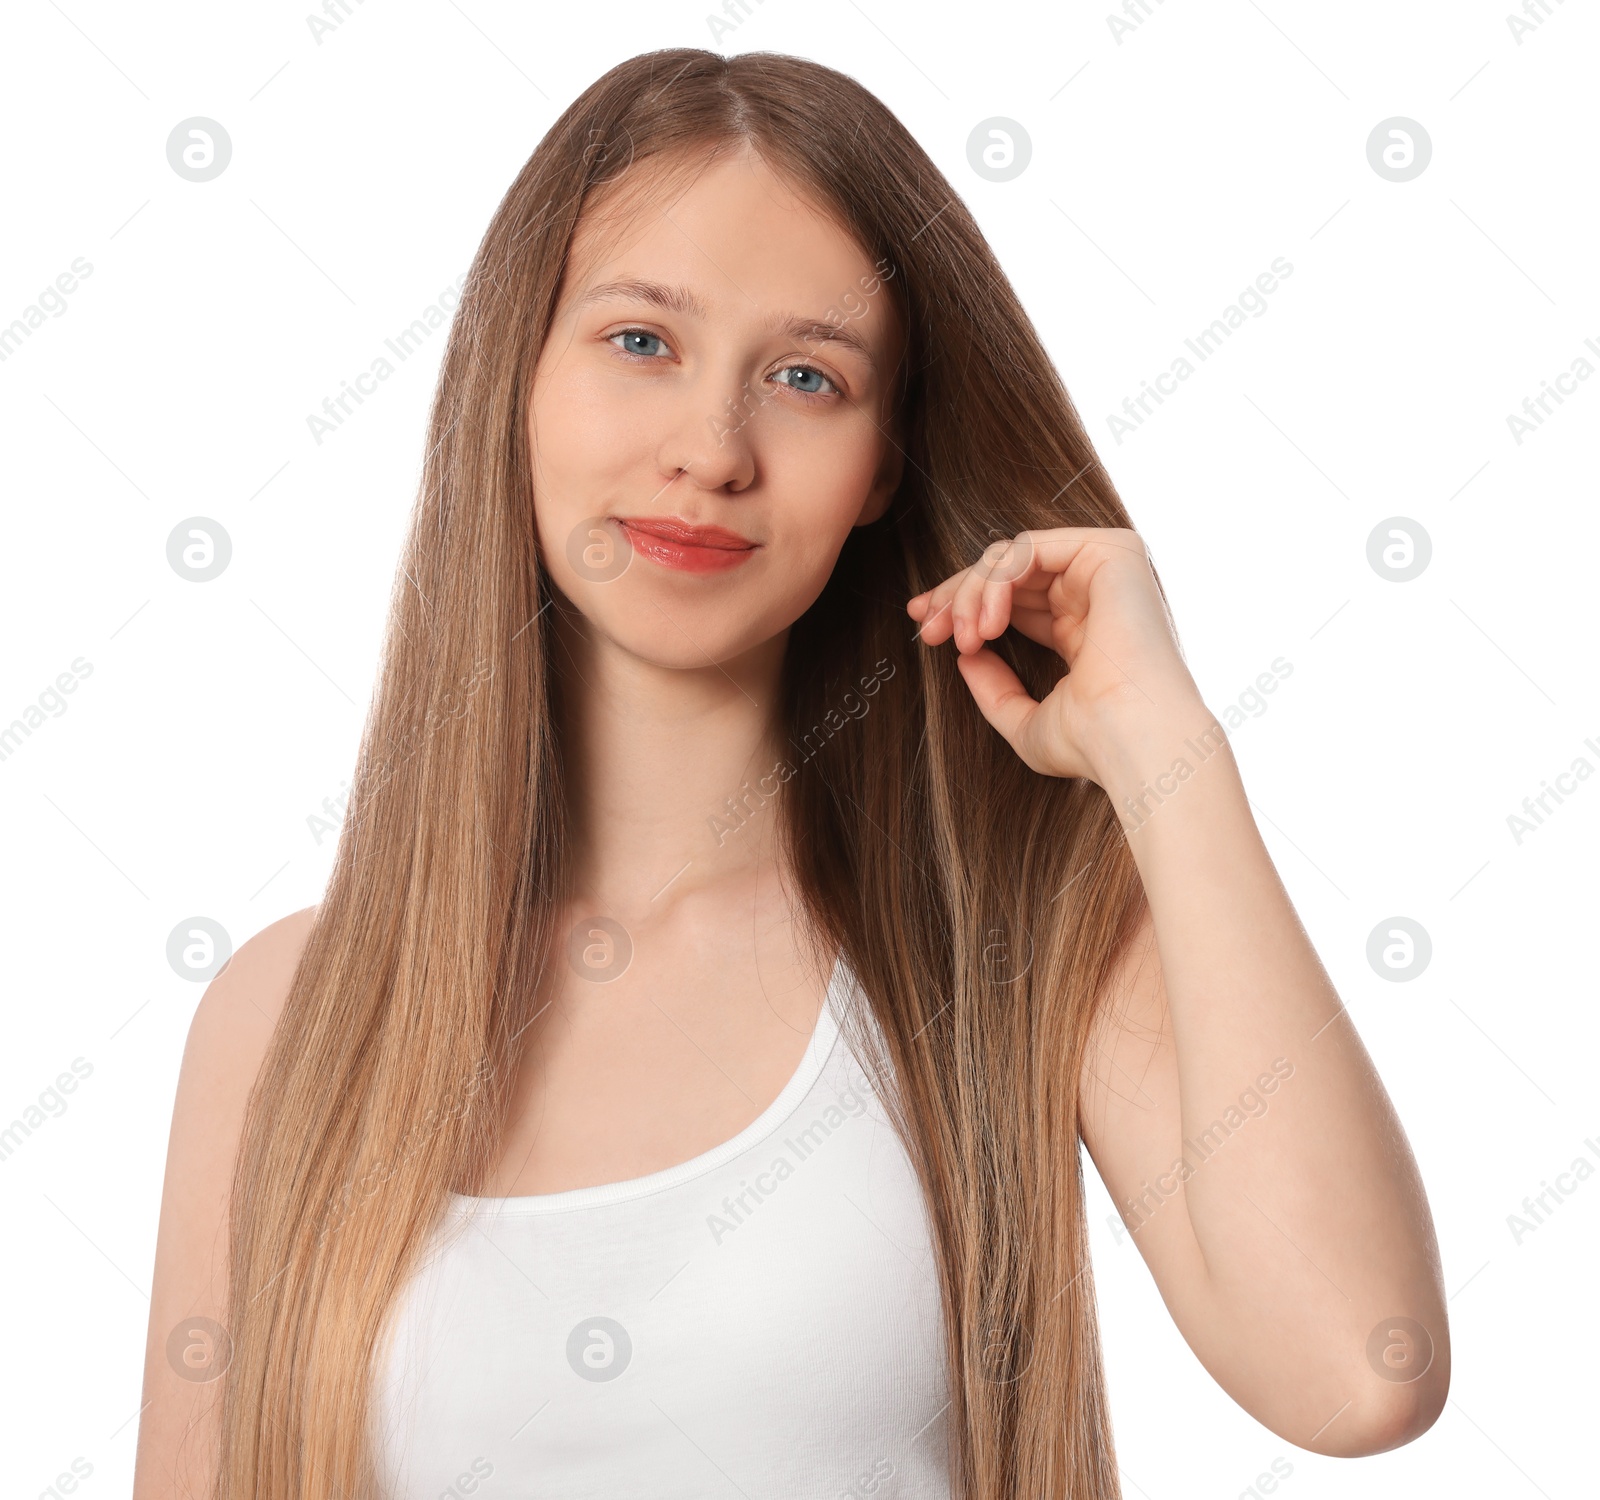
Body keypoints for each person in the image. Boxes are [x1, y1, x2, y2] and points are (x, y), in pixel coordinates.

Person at [133, 47, 1448, 1500]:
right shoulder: (285, 1019)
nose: (710, 451)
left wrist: (1168, 754)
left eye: (806, 377)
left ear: (881, 463)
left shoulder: (1006, 948)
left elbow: (1360, 1374)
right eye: (641, 340)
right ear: (518, 372)